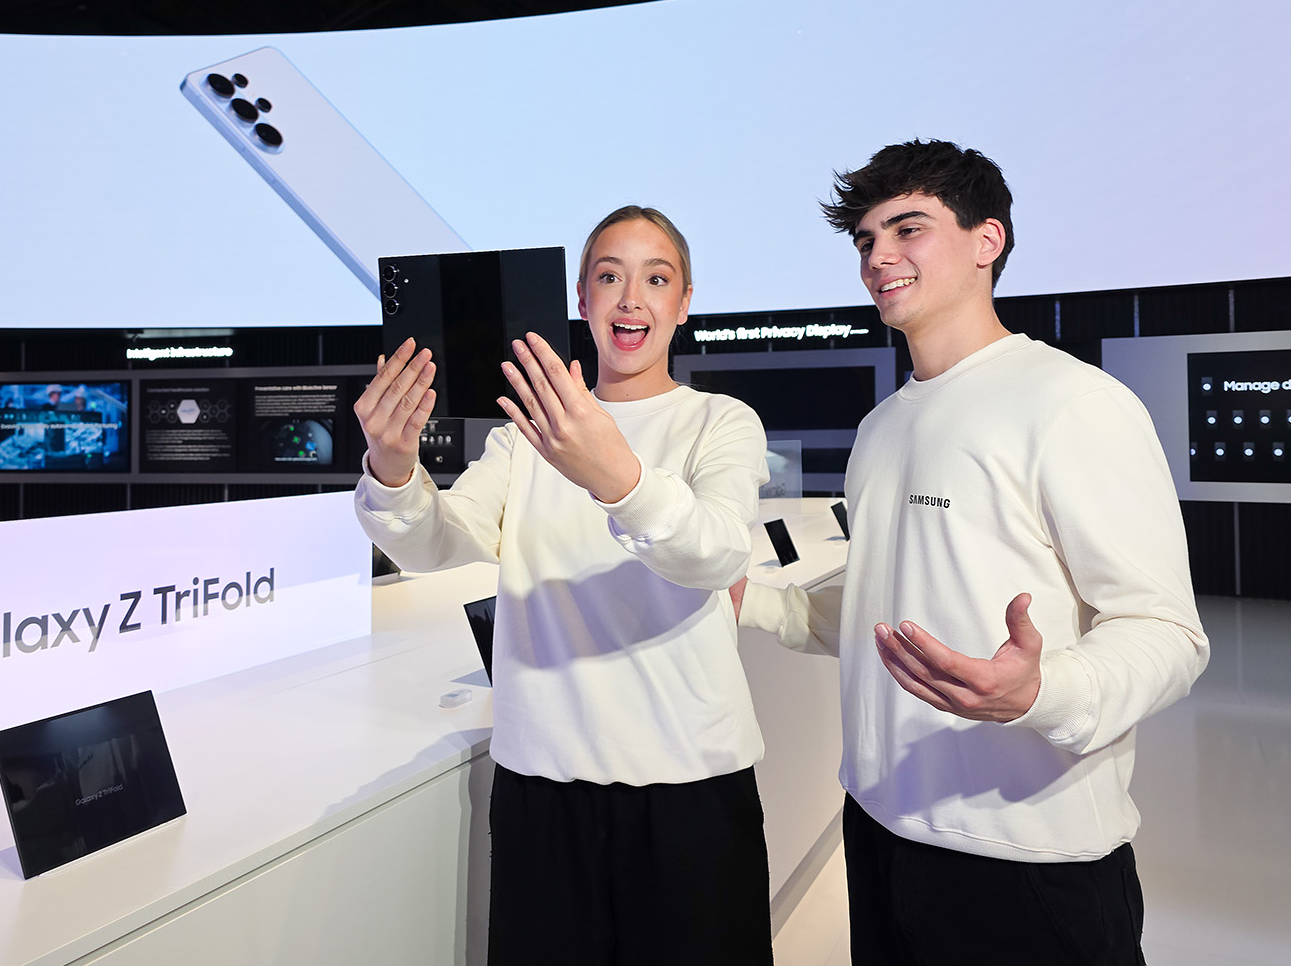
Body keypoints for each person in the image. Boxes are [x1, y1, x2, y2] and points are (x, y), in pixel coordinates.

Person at [735, 140, 1208, 965]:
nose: (879, 257)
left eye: (907, 229)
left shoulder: (1073, 402)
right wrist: (750, 596)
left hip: (1027, 854)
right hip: (881, 828)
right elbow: (887, 601)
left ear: (987, 240)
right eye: (865, 240)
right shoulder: (884, 426)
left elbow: (1166, 630)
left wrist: (1041, 689)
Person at [354, 205, 774, 965]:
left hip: (689, 783)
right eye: (609, 277)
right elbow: (435, 540)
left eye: (657, 278)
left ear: (684, 303)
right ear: (581, 299)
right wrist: (392, 467)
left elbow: (713, 554)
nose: (631, 299)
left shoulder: (720, 422)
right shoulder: (523, 437)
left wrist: (610, 472)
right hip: (542, 783)